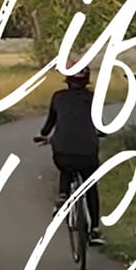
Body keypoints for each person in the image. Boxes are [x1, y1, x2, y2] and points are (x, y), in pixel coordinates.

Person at [38, 66, 104, 246]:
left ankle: (63, 195)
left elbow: (49, 124)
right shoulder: (93, 98)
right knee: (91, 185)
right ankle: (95, 230)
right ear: (87, 81)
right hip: (88, 153)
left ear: (67, 81)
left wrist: (44, 135)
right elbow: (100, 124)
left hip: (62, 152)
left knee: (65, 165)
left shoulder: (58, 97)